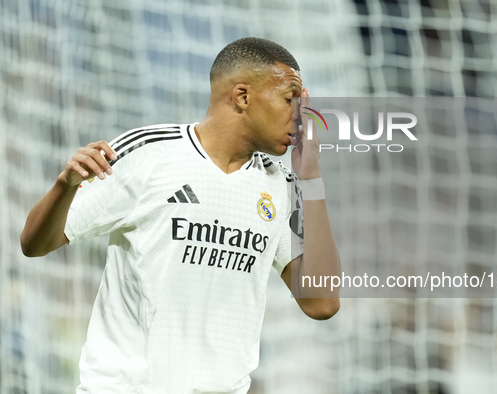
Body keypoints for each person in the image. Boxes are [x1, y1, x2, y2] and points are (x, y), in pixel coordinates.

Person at [20, 37, 340, 393]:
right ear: (242, 96)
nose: (301, 115)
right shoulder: (148, 154)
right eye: (290, 99)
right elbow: (34, 244)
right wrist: (65, 186)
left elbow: (322, 302)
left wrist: (311, 177)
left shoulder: (281, 185)